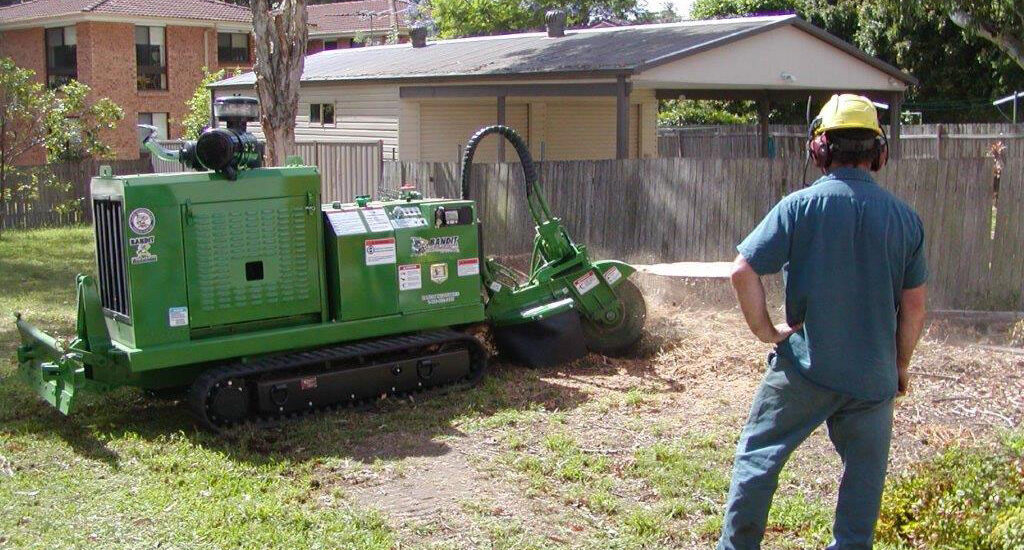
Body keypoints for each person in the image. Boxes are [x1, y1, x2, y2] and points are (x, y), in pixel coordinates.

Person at [717, 94, 929, 550]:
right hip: (872, 377)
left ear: (820, 150)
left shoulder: (798, 208)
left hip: (805, 370)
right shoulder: (906, 220)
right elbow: (913, 308)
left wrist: (766, 332)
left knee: (758, 457)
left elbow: (742, 270)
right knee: (863, 484)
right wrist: (900, 365)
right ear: (879, 152)